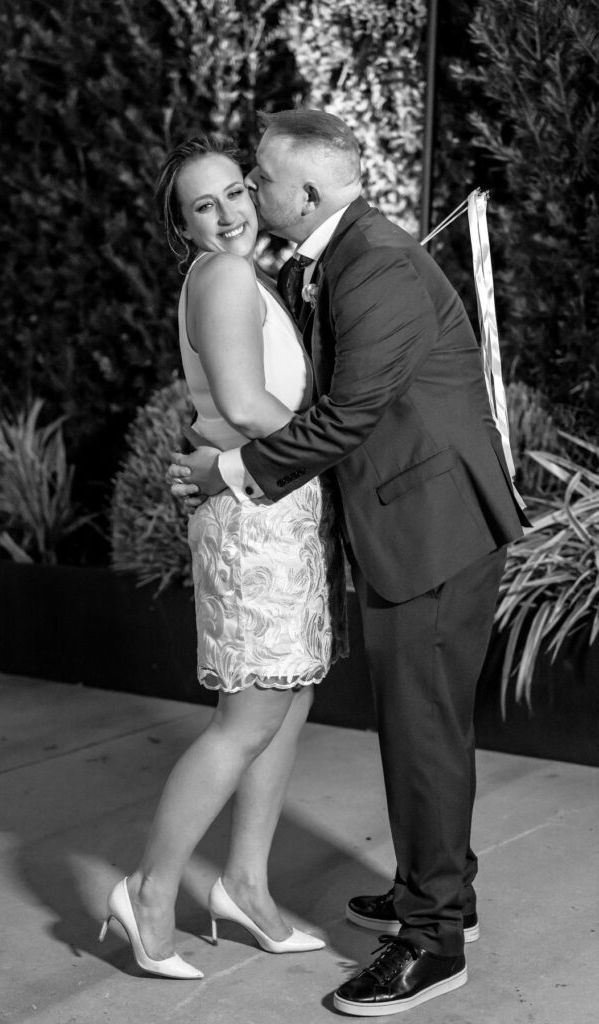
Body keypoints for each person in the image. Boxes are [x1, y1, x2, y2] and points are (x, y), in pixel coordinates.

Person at [168, 109, 529, 1013]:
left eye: (260, 177)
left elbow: (346, 418)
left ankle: (432, 944)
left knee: (422, 734)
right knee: (424, 726)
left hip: (434, 527)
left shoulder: (372, 266)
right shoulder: (342, 252)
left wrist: (229, 469)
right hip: (413, 517)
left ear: (310, 193)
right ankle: (436, 893)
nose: (252, 191)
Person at [98, 134, 347, 980]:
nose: (230, 213)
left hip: (269, 504)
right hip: (254, 515)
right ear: (182, 225)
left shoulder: (229, 278)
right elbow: (241, 405)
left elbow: (222, 407)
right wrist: (342, 438)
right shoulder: (228, 274)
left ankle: (244, 884)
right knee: (248, 717)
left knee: (290, 692)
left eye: (237, 192)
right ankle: (151, 891)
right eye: (204, 205)